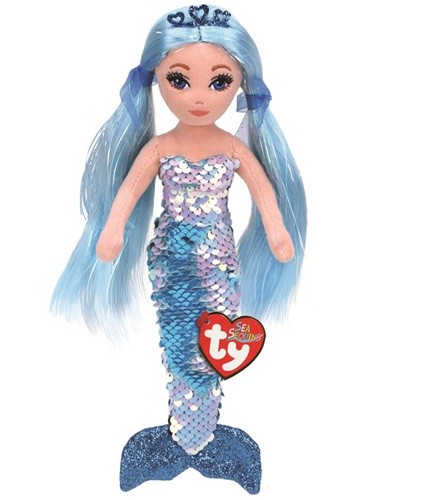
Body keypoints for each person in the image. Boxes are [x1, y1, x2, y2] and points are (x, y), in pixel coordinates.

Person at [52, 5, 307, 493]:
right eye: (179, 79)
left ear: (239, 85)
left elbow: (263, 193)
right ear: (156, 80)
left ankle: (203, 435)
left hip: (218, 265)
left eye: (219, 81)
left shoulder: (233, 149)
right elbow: (128, 193)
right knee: (179, 343)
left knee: (213, 345)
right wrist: (112, 230)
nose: (198, 97)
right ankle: (183, 435)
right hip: (172, 264)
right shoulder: (160, 148)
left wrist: (277, 232)